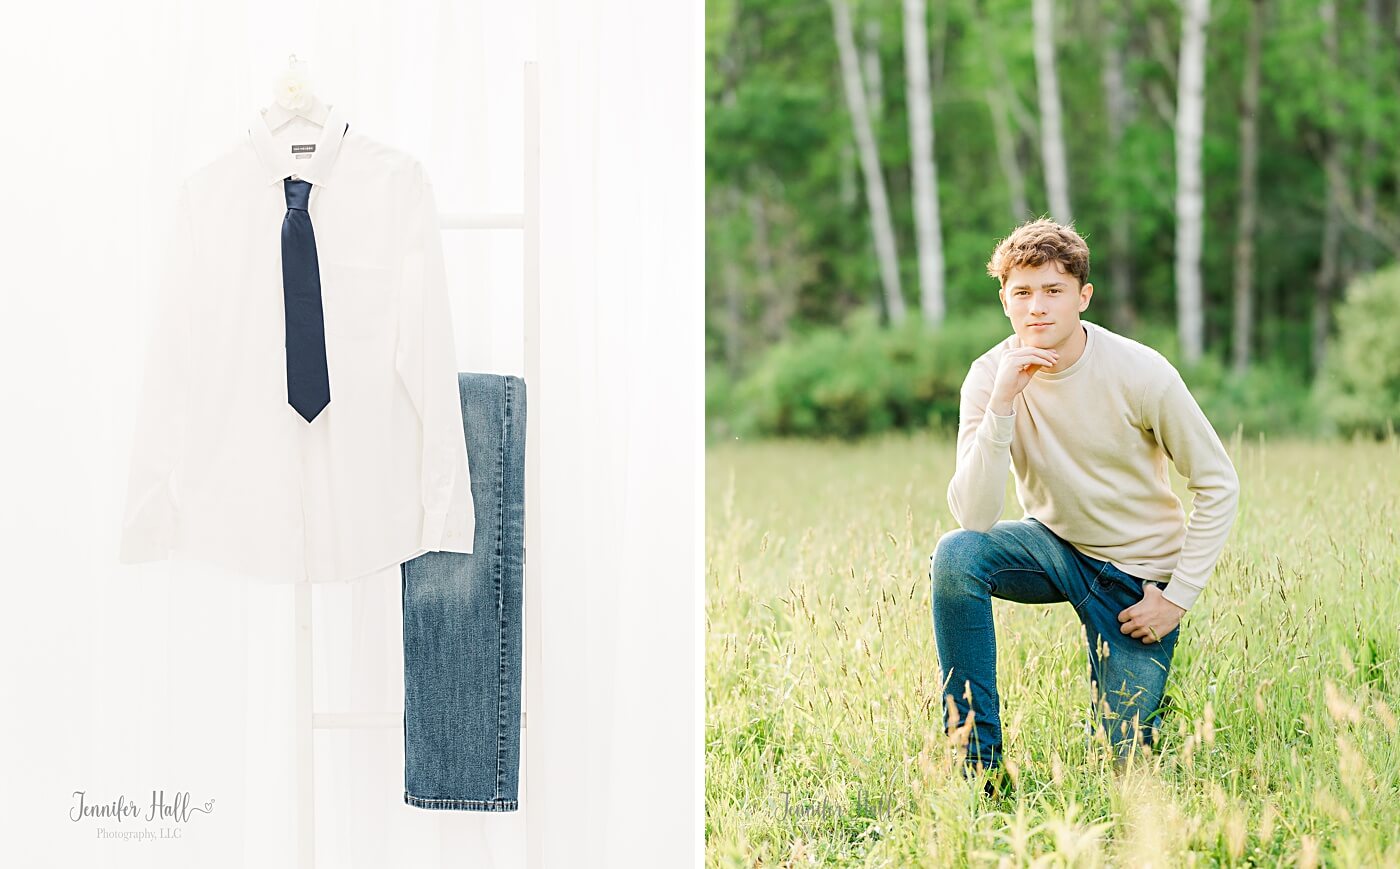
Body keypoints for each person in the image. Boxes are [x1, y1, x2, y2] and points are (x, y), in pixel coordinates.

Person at [929, 218, 1240, 792]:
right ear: (1004, 300)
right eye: (1022, 293)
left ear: (1083, 296)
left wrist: (1177, 599)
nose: (1037, 308)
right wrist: (1002, 404)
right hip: (1051, 546)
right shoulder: (988, 376)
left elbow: (1219, 482)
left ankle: (1144, 707)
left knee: (1121, 765)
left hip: (1135, 577)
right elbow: (973, 516)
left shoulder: (1141, 372)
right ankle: (979, 768)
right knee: (955, 555)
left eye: (1053, 290)